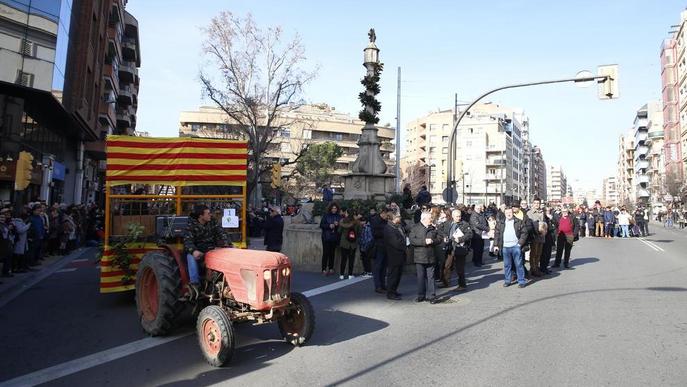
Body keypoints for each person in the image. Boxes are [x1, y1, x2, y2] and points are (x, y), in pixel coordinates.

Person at [183, 205, 232, 293]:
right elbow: (187, 241)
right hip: (198, 249)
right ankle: (195, 286)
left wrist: (228, 245)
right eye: (208, 213)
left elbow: (222, 233)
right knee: (191, 257)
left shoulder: (212, 222)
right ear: (201, 216)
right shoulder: (190, 225)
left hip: (210, 248)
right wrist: (193, 251)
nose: (210, 215)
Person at [410, 211, 441, 303]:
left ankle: (432, 296)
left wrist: (433, 241)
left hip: (431, 256)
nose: (431, 219)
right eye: (429, 218)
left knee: (431, 277)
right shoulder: (415, 228)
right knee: (420, 277)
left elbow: (439, 238)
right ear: (423, 219)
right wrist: (424, 241)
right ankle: (421, 295)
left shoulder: (434, 228)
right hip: (419, 256)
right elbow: (412, 240)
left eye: (431, 218)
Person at [494, 207, 529, 288]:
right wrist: (496, 245)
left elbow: (525, 233)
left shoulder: (519, 222)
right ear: (504, 214)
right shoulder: (501, 223)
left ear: (513, 213)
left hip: (516, 246)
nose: (508, 214)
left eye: (510, 212)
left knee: (519, 264)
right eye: (506, 213)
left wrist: (519, 244)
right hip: (505, 247)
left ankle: (521, 281)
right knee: (507, 265)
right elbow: (497, 234)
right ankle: (507, 280)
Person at [447, 209, 473, 291]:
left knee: (460, 268)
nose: (459, 218)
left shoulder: (464, 224)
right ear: (452, 216)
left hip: (460, 248)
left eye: (460, 216)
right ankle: (445, 282)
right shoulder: (450, 223)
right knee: (447, 266)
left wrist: (461, 239)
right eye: (457, 216)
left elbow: (470, 234)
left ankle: (462, 285)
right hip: (451, 248)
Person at [384, 213, 407, 300]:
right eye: (398, 216)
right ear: (393, 218)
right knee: (393, 275)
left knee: (398, 274)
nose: (400, 217)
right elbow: (396, 242)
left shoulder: (398, 226)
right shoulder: (389, 228)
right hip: (393, 255)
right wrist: (404, 244)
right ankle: (390, 293)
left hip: (399, 254)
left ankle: (394, 290)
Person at [370, 206, 390, 293]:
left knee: (384, 267)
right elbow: (375, 233)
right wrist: (385, 231)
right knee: (378, 266)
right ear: (383, 213)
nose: (388, 217)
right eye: (387, 215)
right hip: (378, 246)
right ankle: (378, 286)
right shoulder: (375, 220)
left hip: (386, 246)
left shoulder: (386, 221)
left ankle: (382, 284)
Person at [319, 202, 342, 276]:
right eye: (333, 208)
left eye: (335, 208)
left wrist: (338, 225)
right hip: (326, 237)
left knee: (332, 253)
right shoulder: (326, 216)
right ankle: (324, 269)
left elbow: (341, 227)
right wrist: (329, 225)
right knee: (326, 253)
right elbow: (321, 225)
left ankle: (331, 268)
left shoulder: (339, 217)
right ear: (330, 208)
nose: (334, 210)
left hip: (334, 237)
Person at [337, 209, 360, 279]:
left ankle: (341, 274)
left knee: (343, 259)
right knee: (351, 259)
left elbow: (339, 231)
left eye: (346, 212)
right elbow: (359, 231)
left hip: (344, 242)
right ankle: (350, 274)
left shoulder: (343, 221)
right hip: (353, 243)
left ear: (347, 213)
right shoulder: (356, 222)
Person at [526, 198, 545, 277]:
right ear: (532, 204)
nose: (537, 204)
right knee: (533, 253)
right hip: (534, 236)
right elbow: (530, 225)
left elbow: (544, 223)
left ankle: (536, 267)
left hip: (541, 236)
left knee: (539, 254)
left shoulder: (541, 212)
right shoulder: (529, 213)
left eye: (538, 203)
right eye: (535, 203)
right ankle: (533, 269)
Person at [540, 206, 557, 274]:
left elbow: (556, 224)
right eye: (546, 211)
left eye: (549, 211)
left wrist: (552, 219)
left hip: (550, 237)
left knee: (548, 253)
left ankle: (546, 266)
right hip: (544, 237)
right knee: (544, 253)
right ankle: (542, 267)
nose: (548, 212)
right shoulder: (543, 217)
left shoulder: (551, 217)